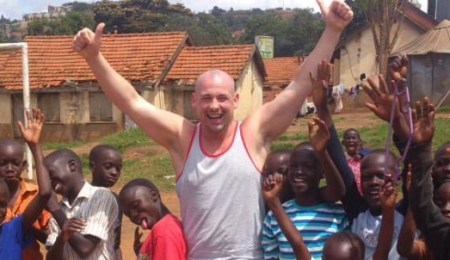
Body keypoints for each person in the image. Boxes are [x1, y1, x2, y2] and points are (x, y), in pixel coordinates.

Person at [72, 1, 353, 257]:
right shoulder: (183, 139)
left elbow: (299, 86)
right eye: (206, 98)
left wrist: (332, 30)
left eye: (222, 98)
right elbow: (132, 102)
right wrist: (95, 59)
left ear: (236, 100)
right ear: (194, 101)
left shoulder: (252, 134)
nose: (214, 106)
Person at [312, 61, 405, 259]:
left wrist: (397, 121)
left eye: (381, 176)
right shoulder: (358, 211)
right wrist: (322, 108)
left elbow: (418, 162)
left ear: (398, 177)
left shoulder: (406, 212)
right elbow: (339, 160)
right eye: (367, 177)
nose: (373, 182)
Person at [262, 117, 347, 259]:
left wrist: (322, 152)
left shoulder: (337, 215)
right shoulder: (274, 216)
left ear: (321, 172)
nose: (299, 171)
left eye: (308, 166)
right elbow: (271, 255)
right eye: (293, 166)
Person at [44, 148, 119, 260]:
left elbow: (85, 248)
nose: (52, 184)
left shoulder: (101, 196)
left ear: (72, 166)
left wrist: (55, 210)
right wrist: (62, 237)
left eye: (52, 176)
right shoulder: (58, 211)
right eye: (48, 180)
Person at [0, 108, 52, 259]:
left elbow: (45, 193)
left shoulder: (14, 227)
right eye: (3, 163)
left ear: (23, 166)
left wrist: (34, 145)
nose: (9, 169)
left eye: (15, 164)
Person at [119, 178, 187, 260]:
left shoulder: (163, 233)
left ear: (154, 196)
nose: (133, 215)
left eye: (136, 205)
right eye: (128, 214)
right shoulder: (168, 225)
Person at [89, 144, 123, 259]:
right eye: (108, 166)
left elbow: (116, 244)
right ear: (93, 166)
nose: (114, 172)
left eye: (118, 169)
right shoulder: (82, 198)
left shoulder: (115, 200)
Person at [341, 128, 369, 194]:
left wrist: (361, 154)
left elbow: (371, 153)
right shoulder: (343, 159)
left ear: (359, 141)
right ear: (343, 142)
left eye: (354, 138)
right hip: (350, 193)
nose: (351, 140)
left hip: (366, 192)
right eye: (348, 138)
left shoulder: (365, 155)